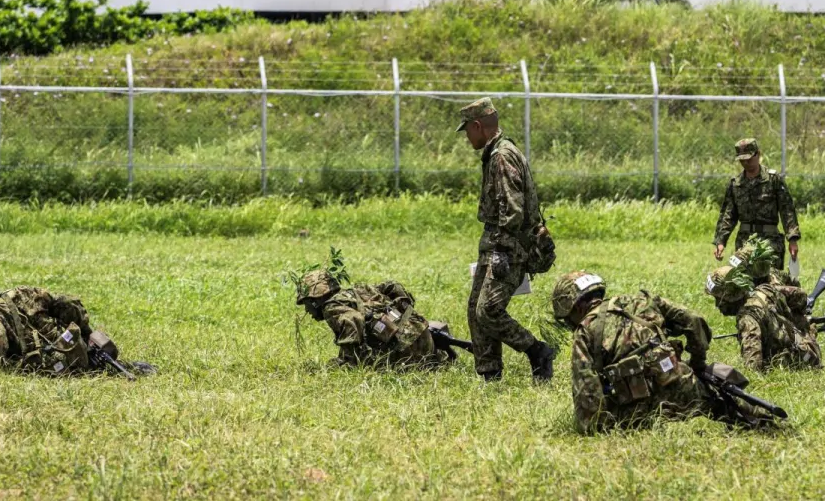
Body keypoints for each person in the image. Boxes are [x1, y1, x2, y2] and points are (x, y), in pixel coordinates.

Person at [458, 96, 557, 383]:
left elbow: (513, 210)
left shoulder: (502, 155)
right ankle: (490, 374)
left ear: (478, 126)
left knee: (488, 310)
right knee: (476, 310)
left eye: (467, 130)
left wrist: (500, 251)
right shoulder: (496, 152)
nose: (467, 137)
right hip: (496, 243)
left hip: (509, 246)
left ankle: (538, 351)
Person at [551, 270, 715, 434]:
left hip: (639, 414)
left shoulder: (584, 332)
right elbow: (693, 320)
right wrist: (697, 363)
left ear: (577, 307)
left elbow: (587, 391)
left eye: (568, 317)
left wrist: (593, 429)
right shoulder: (643, 301)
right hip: (687, 393)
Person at [0, 262, 149, 375]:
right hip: (76, 348)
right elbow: (68, 303)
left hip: (53, 366)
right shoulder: (22, 292)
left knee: (11, 366)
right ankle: (128, 367)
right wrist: (86, 333)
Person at [294, 268, 455, 369]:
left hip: (405, 354)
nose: (307, 310)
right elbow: (393, 286)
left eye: (306, 304)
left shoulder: (331, 307)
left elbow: (353, 320)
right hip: (426, 339)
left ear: (315, 300)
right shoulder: (360, 290)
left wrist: (346, 362)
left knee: (337, 367)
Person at [705, 259, 822, 372]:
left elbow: (753, 368)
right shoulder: (764, 289)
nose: (717, 305)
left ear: (729, 296)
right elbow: (800, 294)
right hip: (808, 352)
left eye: (718, 299)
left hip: (799, 363)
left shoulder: (747, 319)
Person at [713, 138, 801, 271]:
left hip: (770, 242)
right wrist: (721, 241)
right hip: (744, 243)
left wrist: (792, 239)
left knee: (770, 280)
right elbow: (728, 215)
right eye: (742, 160)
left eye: (748, 159)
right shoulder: (736, 184)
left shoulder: (773, 179)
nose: (745, 163)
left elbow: (787, 210)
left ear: (758, 154)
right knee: (744, 279)